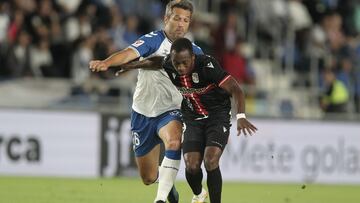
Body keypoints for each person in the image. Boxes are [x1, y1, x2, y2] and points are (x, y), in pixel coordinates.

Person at [117, 37, 258, 203]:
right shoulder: (170, 62)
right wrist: (133, 66)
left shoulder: (207, 65)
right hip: (192, 117)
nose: (181, 67)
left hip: (217, 116)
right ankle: (199, 194)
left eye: (185, 62)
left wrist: (241, 116)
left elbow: (236, 89)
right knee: (191, 165)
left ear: (193, 57)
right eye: (177, 63)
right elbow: (157, 62)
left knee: (210, 160)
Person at [89, 1, 203, 203]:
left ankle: (159, 199)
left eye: (186, 20)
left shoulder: (195, 52)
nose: (181, 24)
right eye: (177, 18)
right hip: (142, 112)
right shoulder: (154, 40)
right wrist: (106, 62)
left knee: (175, 141)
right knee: (148, 177)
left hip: (171, 111)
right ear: (166, 18)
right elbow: (128, 53)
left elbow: (207, 80)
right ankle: (166, 185)